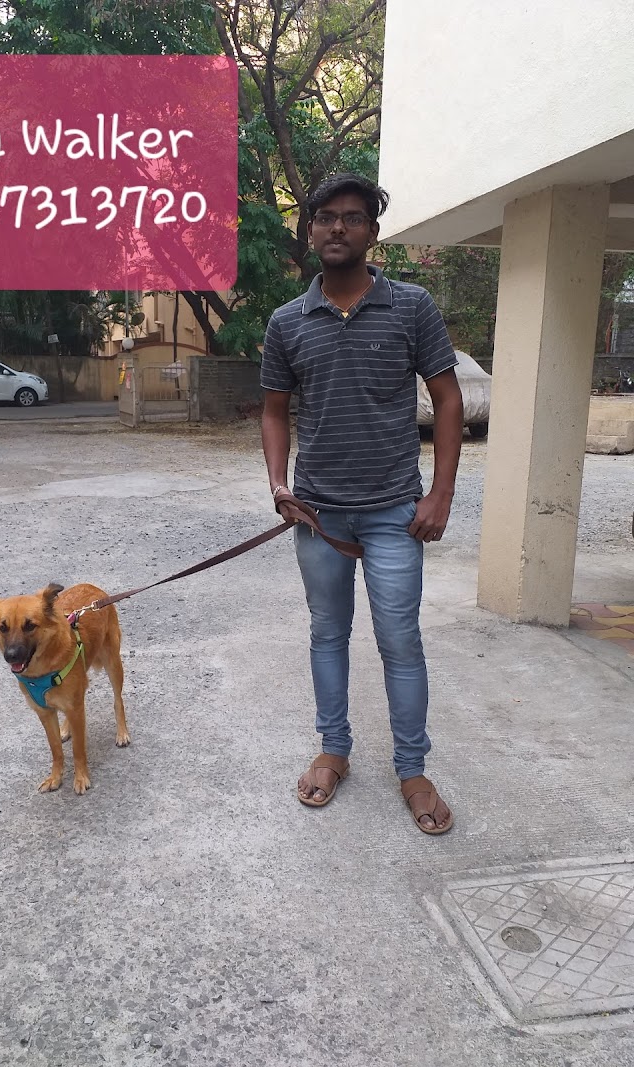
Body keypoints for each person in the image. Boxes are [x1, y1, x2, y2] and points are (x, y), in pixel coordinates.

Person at [260, 172, 463, 834]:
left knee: (400, 639)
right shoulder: (287, 321)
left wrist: (440, 494)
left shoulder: (411, 307)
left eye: (352, 218)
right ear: (311, 228)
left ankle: (413, 769)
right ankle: (334, 750)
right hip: (317, 515)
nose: (337, 227)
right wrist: (279, 485)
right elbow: (274, 410)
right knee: (328, 633)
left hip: (393, 513)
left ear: (372, 233)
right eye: (326, 216)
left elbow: (448, 399)